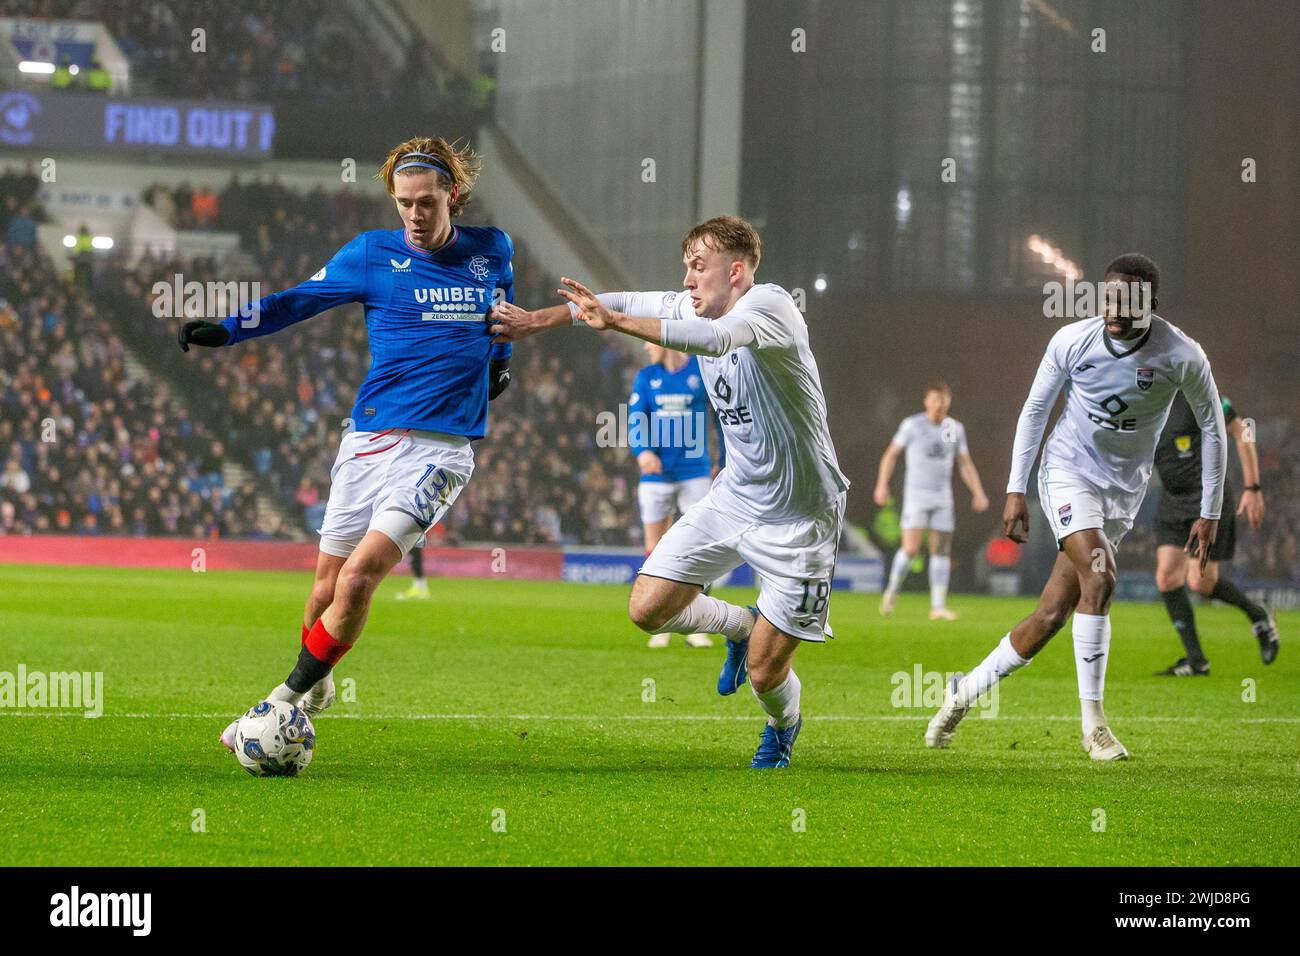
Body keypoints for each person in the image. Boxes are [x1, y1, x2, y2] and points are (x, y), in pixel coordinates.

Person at [178, 136, 514, 753]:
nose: (414, 215)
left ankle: (276, 705)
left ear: (453, 196)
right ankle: (319, 679)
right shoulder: (370, 255)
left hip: (441, 451)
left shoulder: (492, 250)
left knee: (359, 580)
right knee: (323, 593)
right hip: (366, 442)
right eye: (404, 203)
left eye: (426, 203)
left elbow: (501, 310)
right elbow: (295, 302)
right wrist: (227, 331)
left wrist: (501, 360)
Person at [489, 216, 849, 768]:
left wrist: (619, 324)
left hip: (802, 515)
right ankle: (739, 625)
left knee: (764, 671)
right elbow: (613, 298)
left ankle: (783, 725)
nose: (685, 281)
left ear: (735, 271)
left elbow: (716, 338)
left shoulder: (770, 305)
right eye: (684, 268)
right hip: (735, 497)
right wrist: (537, 321)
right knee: (647, 607)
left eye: (697, 268)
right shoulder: (695, 304)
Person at [925, 253, 1226, 761]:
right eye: (1107, 296)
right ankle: (1095, 727)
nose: (1113, 308)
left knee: (1049, 617)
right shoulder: (1071, 341)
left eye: (1127, 300)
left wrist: (1210, 510)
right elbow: (1036, 409)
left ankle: (962, 692)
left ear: (1151, 304)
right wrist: (1015, 489)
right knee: (1101, 576)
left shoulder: (1182, 355)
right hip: (1067, 472)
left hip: (1122, 493)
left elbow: (1214, 428)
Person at [1153, 392, 1278, 674]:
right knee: (1166, 577)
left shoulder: (1197, 393)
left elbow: (1241, 430)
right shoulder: (1143, 401)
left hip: (1207, 500)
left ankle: (1258, 616)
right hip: (1172, 500)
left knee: (1200, 583)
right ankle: (1197, 661)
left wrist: (1253, 488)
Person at [629, 340, 724, 648]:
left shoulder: (702, 369)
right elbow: (635, 421)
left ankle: (697, 624)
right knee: (655, 549)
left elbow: (723, 417)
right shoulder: (646, 377)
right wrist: (643, 451)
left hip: (695, 472)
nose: (645, 347)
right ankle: (661, 623)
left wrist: (724, 460)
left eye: (648, 340)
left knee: (701, 547)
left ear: (663, 341)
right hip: (656, 474)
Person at [874, 381, 989, 620]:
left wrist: (978, 492)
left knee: (941, 551)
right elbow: (891, 455)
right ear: (926, 401)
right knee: (911, 548)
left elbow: (964, 463)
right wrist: (882, 484)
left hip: (942, 497)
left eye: (944, 400)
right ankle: (893, 590)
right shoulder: (913, 425)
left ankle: (937, 606)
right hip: (916, 496)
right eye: (935, 399)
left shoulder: (953, 428)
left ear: (949, 402)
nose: (939, 404)